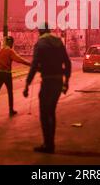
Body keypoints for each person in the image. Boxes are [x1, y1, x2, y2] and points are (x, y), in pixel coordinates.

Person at [23, 23, 72, 154]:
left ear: (40, 31)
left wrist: (27, 84)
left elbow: (34, 65)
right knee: (51, 112)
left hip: (47, 82)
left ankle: (48, 144)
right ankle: (51, 143)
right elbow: (67, 63)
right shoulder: (58, 42)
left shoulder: (40, 44)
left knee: (44, 113)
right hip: (57, 81)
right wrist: (66, 81)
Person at [0, 36, 31, 118]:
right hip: (7, 74)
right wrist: (30, 64)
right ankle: (11, 110)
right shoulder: (10, 51)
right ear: (10, 43)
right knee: (10, 92)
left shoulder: (0, 52)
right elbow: (19, 60)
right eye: (12, 43)